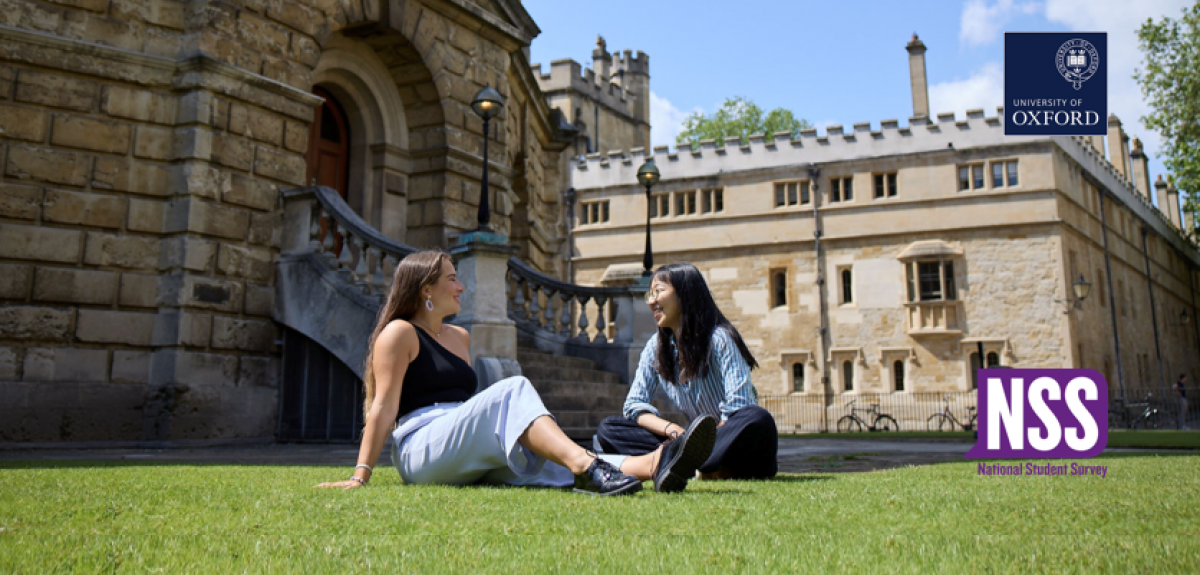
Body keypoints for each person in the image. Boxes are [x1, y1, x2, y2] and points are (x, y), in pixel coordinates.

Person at [317, 250, 716, 495]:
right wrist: (360, 475)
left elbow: (468, 411)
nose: (460, 286)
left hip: (460, 440)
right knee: (513, 390)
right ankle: (588, 468)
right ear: (426, 290)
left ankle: (654, 463)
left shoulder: (460, 337)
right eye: (452, 278)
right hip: (421, 446)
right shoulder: (399, 333)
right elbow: (384, 407)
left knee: (536, 455)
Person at [595, 263, 778, 484]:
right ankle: (695, 463)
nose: (651, 301)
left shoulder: (720, 338)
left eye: (658, 292)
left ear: (685, 294)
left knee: (758, 418)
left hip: (732, 441)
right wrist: (677, 433)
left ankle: (685, 462)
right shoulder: (655, 346)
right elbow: (633, 405)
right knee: (609, 429)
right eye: (649, 294)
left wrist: (703, 443)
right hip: (691, 442)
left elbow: (739, 406)